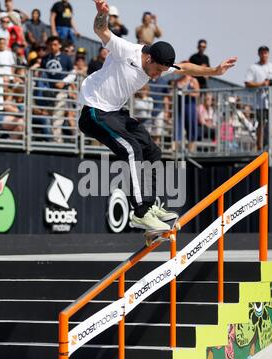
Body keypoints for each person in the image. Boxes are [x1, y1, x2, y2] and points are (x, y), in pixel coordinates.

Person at [78, 0, 237, 232]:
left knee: (152, 150)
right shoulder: (126, 51)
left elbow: (185, 67)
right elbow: (101, 30)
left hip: (115, 112)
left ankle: (150, 206)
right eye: (157, 71)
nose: (157, 76)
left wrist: (214, 71)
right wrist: (101, 14)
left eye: (162, 72)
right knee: (132, 149)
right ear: (149, 58)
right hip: (94, 111)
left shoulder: (158, 63)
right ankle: (140, 212)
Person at [245, 46, 272, 150]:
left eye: (266, 53)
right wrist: (262, 84)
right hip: (259, 103)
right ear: (259, 54)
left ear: (268, 54)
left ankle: (271, 147)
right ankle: (259, 147)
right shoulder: (253, 67)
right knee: (260, 125)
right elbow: (247, 83)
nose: (264, 55)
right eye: (262, 53)